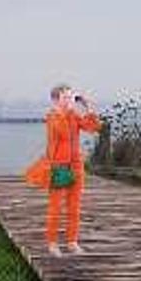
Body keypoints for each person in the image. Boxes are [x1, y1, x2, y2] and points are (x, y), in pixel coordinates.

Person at [44, 84, 101, 256]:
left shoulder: (74, 115)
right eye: (65, 97)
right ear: (55, 100)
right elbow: (61, 132)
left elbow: (92, 127)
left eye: (70, 97)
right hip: (59, 166)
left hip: (76, 165)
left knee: (74, 207)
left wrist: (88, 106)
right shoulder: (52, 117)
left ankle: (72, 242)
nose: (69, 101)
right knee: (56, 207)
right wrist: (67, 112)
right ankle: (52, 243)